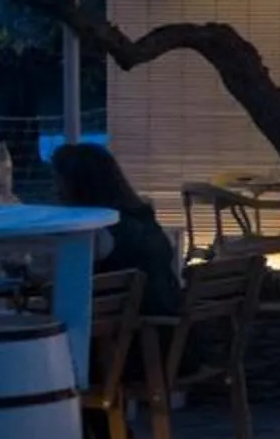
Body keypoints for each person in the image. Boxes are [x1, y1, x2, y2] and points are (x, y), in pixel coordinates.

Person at [50, 142, 184, 331]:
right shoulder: (143, 222)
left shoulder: (103, 237)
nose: (55, 192)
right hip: (163, 336)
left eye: (58, 183)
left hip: (130, 341)